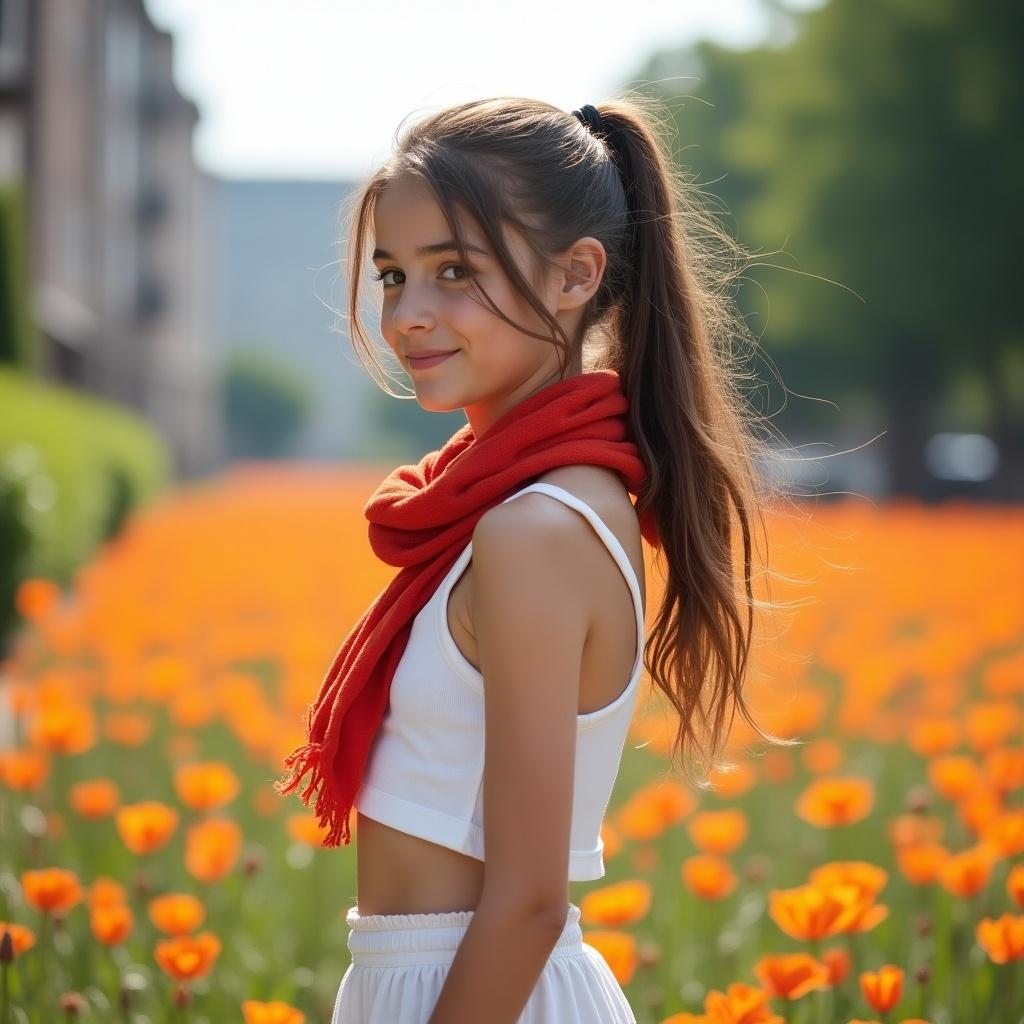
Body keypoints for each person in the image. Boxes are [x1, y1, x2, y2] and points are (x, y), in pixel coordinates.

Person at [276, 94, 800, 1023]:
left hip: (484, 990)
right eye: (394, 275)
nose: (407, 316)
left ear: (575, 275)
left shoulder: (535, 531)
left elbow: (525, 903)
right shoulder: (534, 506)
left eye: (454, 270)